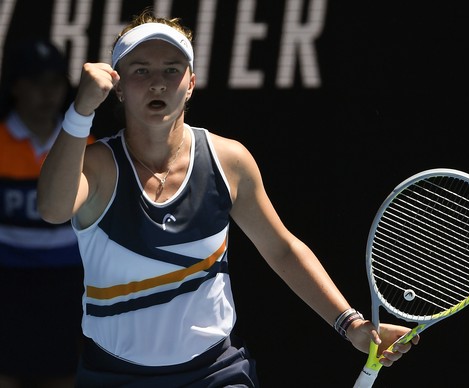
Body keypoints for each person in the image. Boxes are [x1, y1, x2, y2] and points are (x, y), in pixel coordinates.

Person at [37, 9, 419, 386]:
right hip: (114, 376)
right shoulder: (98, 166)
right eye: (140, 70)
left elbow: (282, 248)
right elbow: (53, 210)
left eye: (172, 69)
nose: (157, 83)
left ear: (191, 83)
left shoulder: (228, 160)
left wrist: (351, 324)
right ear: (117, 87)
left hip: (216, 373)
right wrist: (80, 111)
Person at [0, 38, 90, 387]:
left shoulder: (87, 146)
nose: (46, 93)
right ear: (17, 86)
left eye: (54, 82)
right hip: (6, 286)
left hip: (66, 288)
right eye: (36, 82)